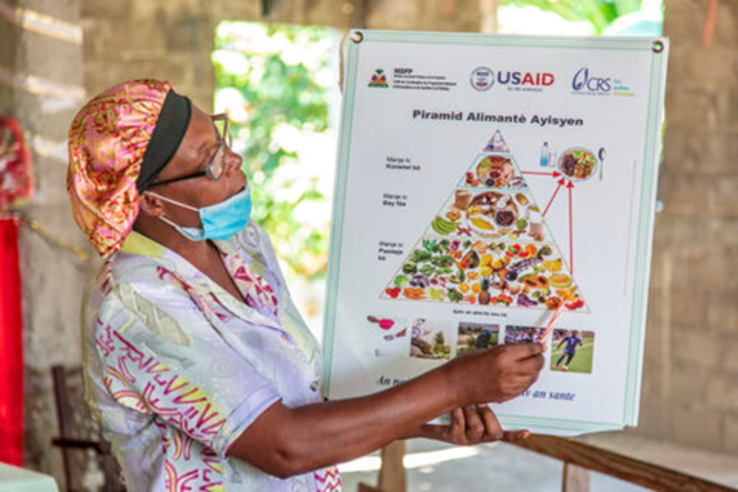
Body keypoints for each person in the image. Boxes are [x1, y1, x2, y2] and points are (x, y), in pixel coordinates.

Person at [67, 79, 545, 491]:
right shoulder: (135, 305)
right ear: (150, 203)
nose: (233, 160)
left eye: (222, 138)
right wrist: (455, 381)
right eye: (210, 161)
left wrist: (432, 419)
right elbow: (285, 444)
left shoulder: (241, 244)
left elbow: (305, 399)